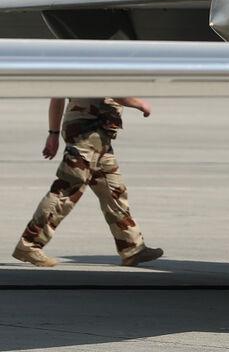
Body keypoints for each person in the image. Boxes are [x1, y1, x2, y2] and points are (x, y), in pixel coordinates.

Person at [13, 97, 164, 268]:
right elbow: (109, 85)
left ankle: (131, 247)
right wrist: (138, 103)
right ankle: (29, 244)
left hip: (96, 134)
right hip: (88, 133)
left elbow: (57, 96)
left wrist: (53, 133)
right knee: (67, 189)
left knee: (113, 190)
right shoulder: (98, 69)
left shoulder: (76, 68)